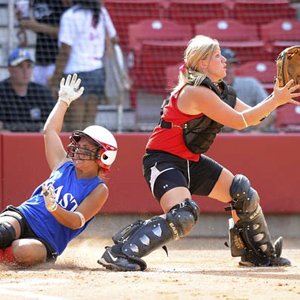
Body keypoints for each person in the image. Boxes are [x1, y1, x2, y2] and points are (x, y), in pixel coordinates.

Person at [98, 35, 300, 271]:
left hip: (190, 161)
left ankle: (257, 254)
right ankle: (120, 251)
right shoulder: (195, 92)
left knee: (241, 192)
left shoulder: (219, 91)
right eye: (218, 55)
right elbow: (241, 121)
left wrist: (277, 96)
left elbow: (257, 115)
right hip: (163, 160)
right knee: (183, 215)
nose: (225, 60)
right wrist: (276, 99)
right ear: (203, 63)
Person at [0, 73, 118, 267]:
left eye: (86, 149)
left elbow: (76, 222)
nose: (78, 150)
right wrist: (63, 101)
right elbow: (50, 131)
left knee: (22, 250)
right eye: (79, 146)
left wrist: (54, 207)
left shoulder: (99, 189)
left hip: (46, 240)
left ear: (103, 157)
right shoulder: (64, 164)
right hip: (25, 216)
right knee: (3, 231)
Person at [50, 0, 119, 131]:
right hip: (97, 73)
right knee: (89, 123)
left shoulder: (70, 16)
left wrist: (55, 79)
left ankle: (74, 151)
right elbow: (115, 38)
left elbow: (65, 50)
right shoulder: (101, 12)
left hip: (75, 72)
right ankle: (88, 151)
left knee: (74, 124)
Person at [16, 0, 72, 86]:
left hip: (57, 61)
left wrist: (37, 27)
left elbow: (66, 33)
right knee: (40, 97)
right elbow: (40, 28)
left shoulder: (62, 3)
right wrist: (24, 24)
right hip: (40, 60)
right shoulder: (35, 2)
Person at [0, 48, 55, 132]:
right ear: (10, 69)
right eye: (20, 66)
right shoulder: (2, 91)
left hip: (36, 141)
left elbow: (53, 124)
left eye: (29, 66)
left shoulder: (42, 93)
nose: (25, 71)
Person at [221, 48, 275, 131]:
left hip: (251, 137)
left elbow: (270, 112)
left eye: (231, 66)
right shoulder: (206, 89)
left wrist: (257, 132)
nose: (228, 71)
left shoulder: (250, 84)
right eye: (224, 66)